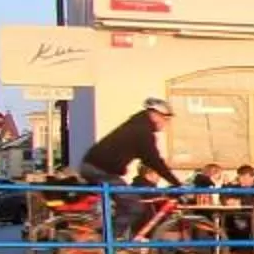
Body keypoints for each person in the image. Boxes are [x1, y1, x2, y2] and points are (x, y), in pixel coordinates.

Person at [74, 97, 181, 234]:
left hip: (95, 166)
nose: (166, 123)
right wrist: (176, 183)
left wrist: (120, 166)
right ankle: (108, 242)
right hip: (99, 170)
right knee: (133, 206)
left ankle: (108, 237)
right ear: (154, 114)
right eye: (165, 118)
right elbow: (154, 161)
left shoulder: (136, 125)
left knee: (124, 202)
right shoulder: (142, 131)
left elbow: (131, 153)